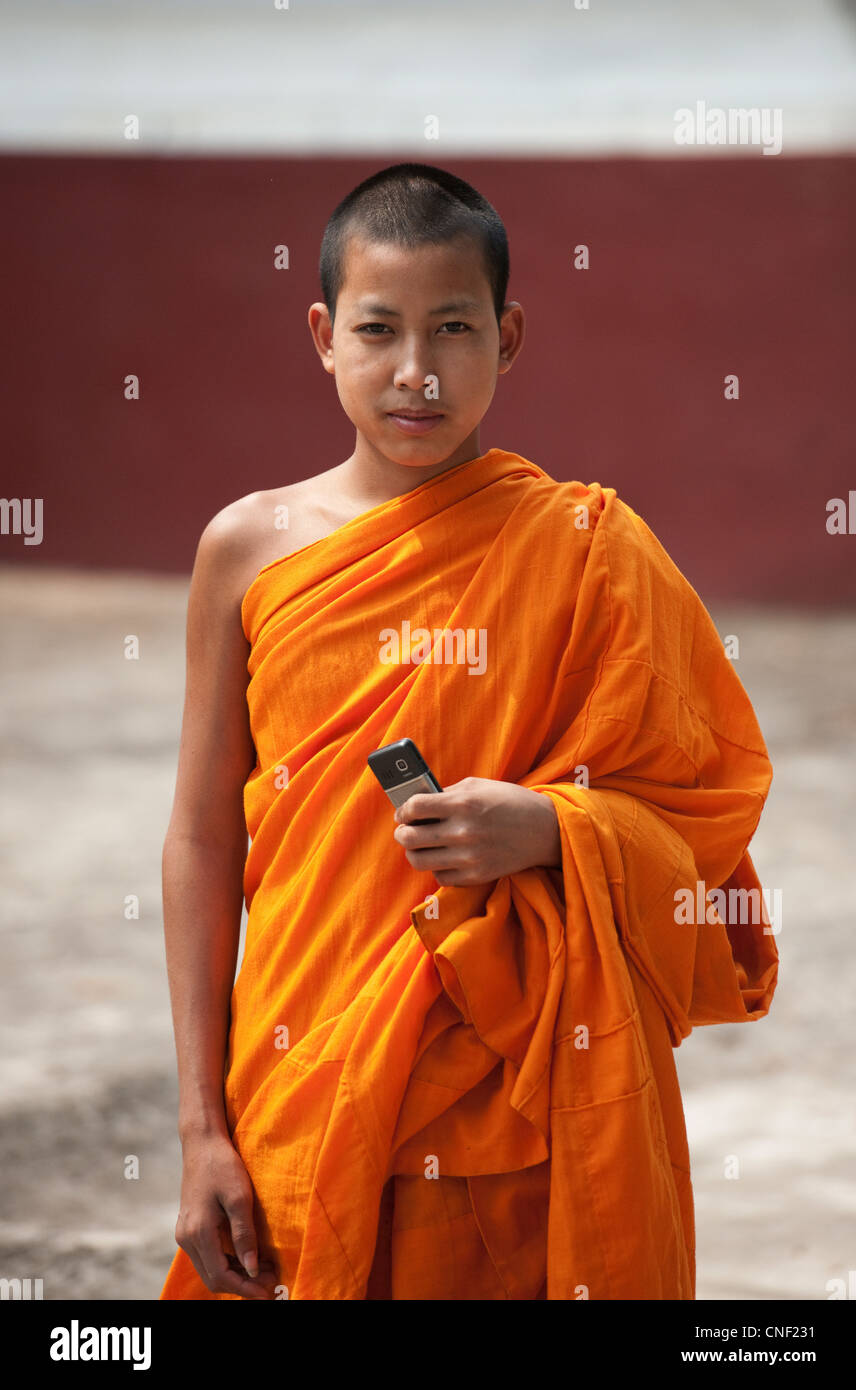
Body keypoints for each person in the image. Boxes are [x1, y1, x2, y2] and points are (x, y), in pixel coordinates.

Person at [159, 162, 778, 1301]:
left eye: (452, 328)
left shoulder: (588, 545)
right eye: (377, 329)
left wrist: (553, 826)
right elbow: (202, 838)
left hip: (513, 1101)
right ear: (321, 335)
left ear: (508, 335)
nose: (414, 372)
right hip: (303, 1075)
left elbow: (709, 804)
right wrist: (201, 1127)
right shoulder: (246, 550)